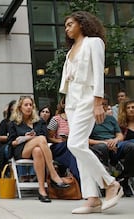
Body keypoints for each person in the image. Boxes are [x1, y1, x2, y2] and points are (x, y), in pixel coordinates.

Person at [59, 11, 123, 214]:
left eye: (70, 24)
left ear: (82, 23)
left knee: (75, 144)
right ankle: (92, 198)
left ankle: (111, 183)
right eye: (65, 26)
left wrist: (98, 103)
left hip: (88, 99)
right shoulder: (70, 52)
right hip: (72, 102)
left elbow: (97, 72)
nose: (67, 28)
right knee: (80, 149)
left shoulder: (94, 42)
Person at [8, 96, 69, 203]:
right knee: (40, 139)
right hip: (21, 150)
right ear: (20, 107)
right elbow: (11, 142)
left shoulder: (39, 121)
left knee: (38, 151)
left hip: (37, 149)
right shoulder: (14, 122)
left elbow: (45, 138)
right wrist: (25, 137)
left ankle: (42, 191)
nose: (28, 107)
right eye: (26, 105)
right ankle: (53, 173)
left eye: (30, 105)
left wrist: (33, 138)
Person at [89, 98, 134, 197]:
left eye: (104, 104)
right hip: (98, 145)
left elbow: (120, 135)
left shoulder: (111, 119)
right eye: (100, 104)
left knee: (131, 146)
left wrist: (115, 141)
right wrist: (105, 143)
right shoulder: (89, 120)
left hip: (115, 144)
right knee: (102, 147)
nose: (102, 107)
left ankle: (124, 178)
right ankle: (106, 182)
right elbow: (86, 140)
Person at [46, 98, 80, 183]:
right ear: (64, 105)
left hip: (73, 147)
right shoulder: (56, 119)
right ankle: (79, 180)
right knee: (70, 147)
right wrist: (59, 141)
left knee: (73, 152)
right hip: (59, 146)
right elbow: (48, 137)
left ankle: (76, 179)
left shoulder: (77, 119)